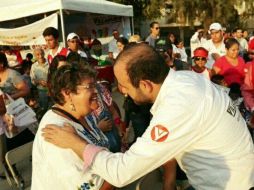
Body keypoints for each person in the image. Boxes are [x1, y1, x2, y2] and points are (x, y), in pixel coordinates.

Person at [42, 43, 254, 190]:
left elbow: (121, 172)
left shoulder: (178, 106)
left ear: (145, 84)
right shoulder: (187, 80)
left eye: (123, 86)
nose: (121, 91)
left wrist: (75, 143)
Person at [32, 64, 112, 190]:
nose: (96, 91)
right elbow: (86, 187)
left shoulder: (83, 114)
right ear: (67, 93)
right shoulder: (56, 135)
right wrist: (117, 172)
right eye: (90, 86)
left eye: (95, 85)